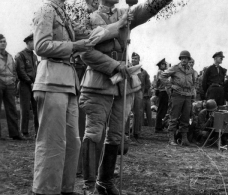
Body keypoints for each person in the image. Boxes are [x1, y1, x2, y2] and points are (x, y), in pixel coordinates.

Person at [31, 0, 129, 194]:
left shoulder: (63, 13)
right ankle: (45, 190)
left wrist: (119, 24)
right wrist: (75, 45)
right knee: (53, 141)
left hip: (68, 83)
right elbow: (41, 46)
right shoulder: (46, 10)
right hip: (51, 79)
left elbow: (92, 35)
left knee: (72, 142)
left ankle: (66, 188)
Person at [79, 0, 172, 194]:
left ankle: (104, 182)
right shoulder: (88, 19)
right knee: (94, 132)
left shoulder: (126, 12)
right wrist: (114, 65)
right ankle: (89, 185)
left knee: (116, 135)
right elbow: (85, 52)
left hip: (124, 86)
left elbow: (149, 8)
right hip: (97, 84)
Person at [160, 50, 195, 146]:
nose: (184, 60)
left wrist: (192, 92)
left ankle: (184, 139)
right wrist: (171, 86)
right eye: (182, 58)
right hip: (177, 95)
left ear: (188, 59)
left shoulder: (191, 70)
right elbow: (162, 76)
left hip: (187, 96)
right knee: (174, 117)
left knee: (185, 117)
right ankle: (171, 138)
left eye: (186, 58)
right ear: (180, 59)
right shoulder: (175, 68)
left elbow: (194, 82)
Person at [0, 34, 23, 140]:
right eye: (1, 42)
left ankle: (15, 134)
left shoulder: (9, 56)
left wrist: (13, 80)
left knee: (12, 109)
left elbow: (14, 70)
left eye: (4, 41)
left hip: (9, 85)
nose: (3, 43)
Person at [15, 34, 38, 138]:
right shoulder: (20, 55)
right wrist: (30, 82)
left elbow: (36, 71)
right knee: (25, 109)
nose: (35, 43)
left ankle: (38, 131)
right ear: (28, 42)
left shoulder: (34, 56)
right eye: (33, 41)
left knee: (37, 108)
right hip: (25, 84)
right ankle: (24, 132)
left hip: (35, 84)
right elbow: (21, 71)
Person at [154, 58, 169, 133]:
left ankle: (160, 126)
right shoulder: (160, 72)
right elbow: (163, 81)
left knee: (163, 109)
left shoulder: (162, 72)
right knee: (160, 109)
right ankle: (158, 127)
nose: (165, 65)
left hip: (164, 92)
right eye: (163, 64)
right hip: (162, 91)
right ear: (160, 65)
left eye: (164, 64)